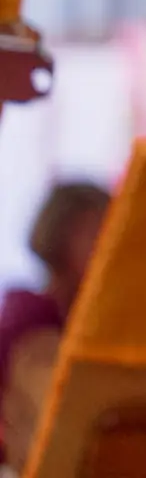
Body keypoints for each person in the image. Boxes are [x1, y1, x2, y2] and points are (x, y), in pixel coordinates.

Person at [1, 181, 109, 467]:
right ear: (59, 235)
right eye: (95, 231)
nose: (107, 244)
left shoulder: (87, 320)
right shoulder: (29, 321)